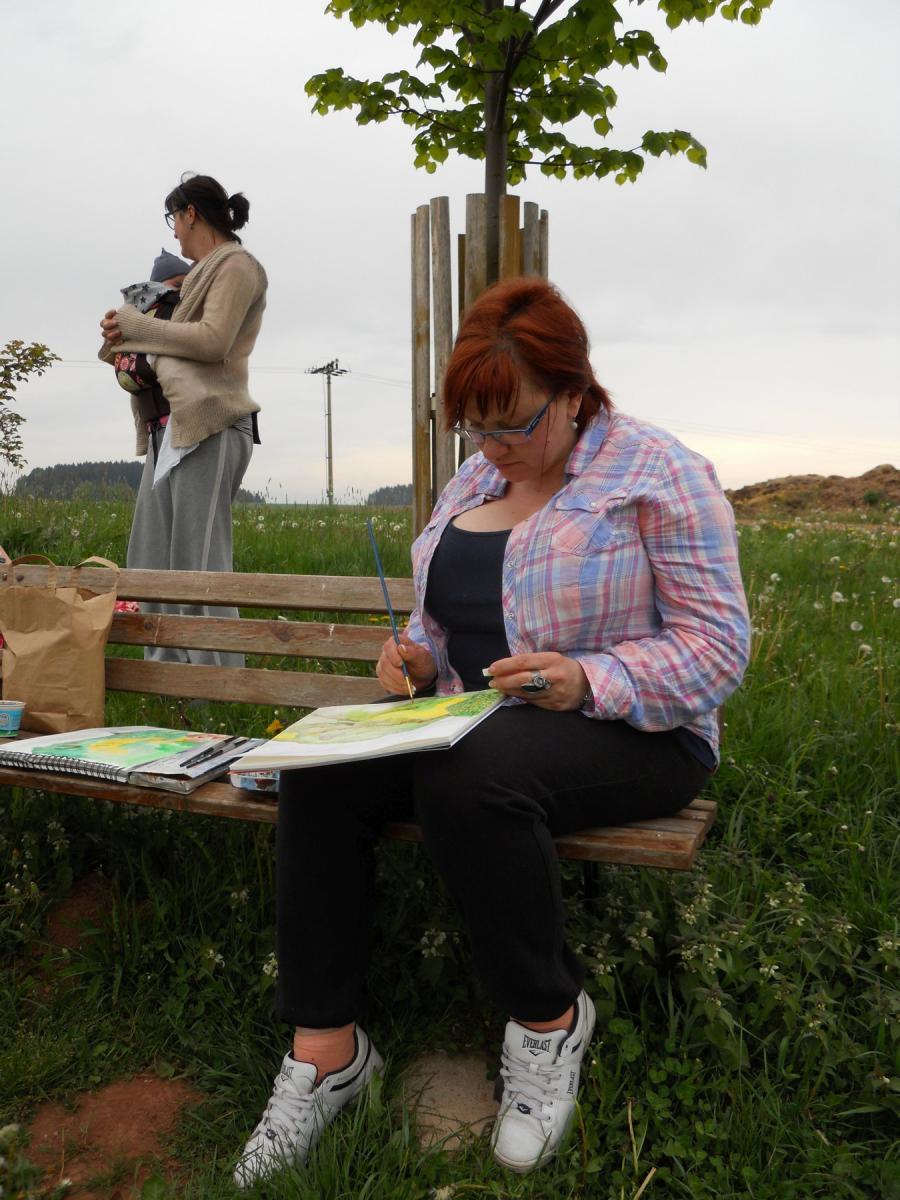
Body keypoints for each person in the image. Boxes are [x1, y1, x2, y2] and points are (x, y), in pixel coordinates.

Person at [233, 278, 750, 1187]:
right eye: (477, 427)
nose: (496, 448)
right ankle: (328, 1049)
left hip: (640, 732)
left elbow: (717, 650)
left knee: (469, 776)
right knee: (322, 772)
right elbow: (444, 623)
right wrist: (419, 662)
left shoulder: (659, 474)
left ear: (577, 392)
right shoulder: (475, 477)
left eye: (516, 424)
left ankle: (548, 1020)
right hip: (472, 721)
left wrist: (589, 676)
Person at [98, 173, 267, 666]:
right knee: (150, 563)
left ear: (191, 213)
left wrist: (138, 327)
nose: (173, 232)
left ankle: (214, 689)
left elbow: (213, 341)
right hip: (167, 430)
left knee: (198, 569)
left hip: (211, 425)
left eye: (174, 219)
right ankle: (164, 688)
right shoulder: (194, 277)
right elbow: (164, 345)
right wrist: (120, 337)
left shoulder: (236, 265)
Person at [111, 246, 191, 427]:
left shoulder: (140, 312)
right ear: (156, 286)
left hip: (154, 417)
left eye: (187, 284)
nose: (182, 291)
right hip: (172, 414)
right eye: (177, 284)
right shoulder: (171, 306)